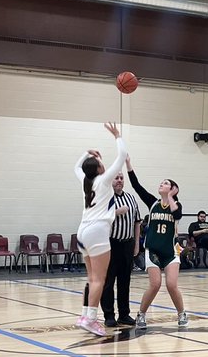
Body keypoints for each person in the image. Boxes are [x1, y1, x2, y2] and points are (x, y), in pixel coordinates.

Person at [74, 122, 127, 337]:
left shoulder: (86, 181)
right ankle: (92, 319)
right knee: (99, 279)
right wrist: (117, 135)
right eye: (98, 161)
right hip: (96, 232)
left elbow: (76, 168)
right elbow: (122, 155)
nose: (102, 162)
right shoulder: (104, 180)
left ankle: (85, 314)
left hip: (82, 232)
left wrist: (86, 153)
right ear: (98, 169)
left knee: (91, 277)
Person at [126, 158, 187, 329]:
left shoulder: (176, 205)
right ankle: (141, 315)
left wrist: (170, 197)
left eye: (166, 183)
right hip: (152, 250)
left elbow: (177, 216)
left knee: (171, 285)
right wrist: (129, 164)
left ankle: (182, 313)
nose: (161, 184)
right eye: (161, 182)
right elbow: (137, 186)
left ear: (173, 189)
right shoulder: (153, 203)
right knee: (155, 284)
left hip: (170, 251)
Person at [98, 171, 141, 328]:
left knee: (125, 281)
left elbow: (137, 222)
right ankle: (109, 315)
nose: (119, 180)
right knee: (108, 281)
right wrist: (116, 212)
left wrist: (136, 244)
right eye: (116, 178)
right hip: (110, 244)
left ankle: (124, 314)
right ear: (111, 180)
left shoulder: (131, 198)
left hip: (127, 244)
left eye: (121, 178)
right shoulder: (104, 197)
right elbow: (99, 218)